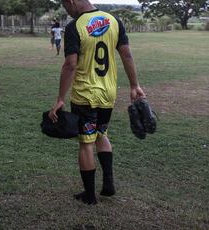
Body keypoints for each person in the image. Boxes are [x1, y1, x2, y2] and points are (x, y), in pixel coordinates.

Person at [49, 0, 146, 205]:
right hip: (108, 93)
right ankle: (108, 183)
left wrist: (60, 99)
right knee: (102, 133)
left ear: (73, 1)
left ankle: (90, 195)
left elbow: (70, 65)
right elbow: (126, 53)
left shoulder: (75, 26)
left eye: (66, 5)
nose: (66, 9)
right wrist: (134, 85)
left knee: (86, 143)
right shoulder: (114, 20)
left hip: (85, 95)